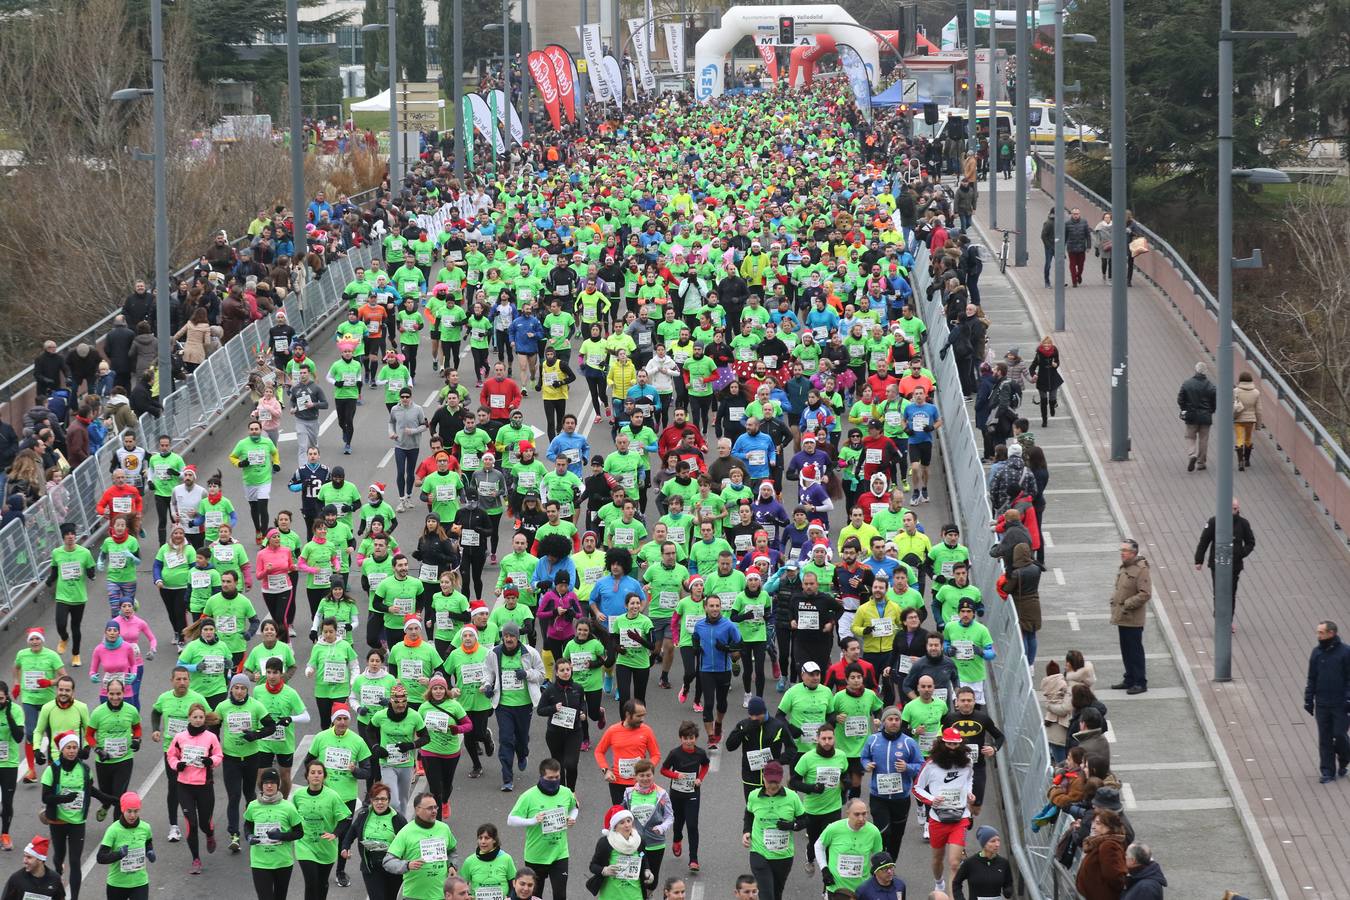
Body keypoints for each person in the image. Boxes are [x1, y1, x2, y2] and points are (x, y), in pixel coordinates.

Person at [910, 727, 975, 894]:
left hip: (960, 817)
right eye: (949, 744)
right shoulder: (931, 764)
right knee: (938, 858)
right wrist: (932, 799)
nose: (952, 748)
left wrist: (969, 793)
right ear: (942, 743)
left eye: (956, 744)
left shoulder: (967, 761)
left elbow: (969, 779)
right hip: (937, 818)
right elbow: (917, 788)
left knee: (954, 863)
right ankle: (939, 883)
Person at [505, 758, 579, 899]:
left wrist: (572, 818)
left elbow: (574, 808)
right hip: (536, 855)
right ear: (541, 776)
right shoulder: (528, 796)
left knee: (560, 895)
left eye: (557, 777)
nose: (554, 780)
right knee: (534, 896)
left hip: (559, 854)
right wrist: (532, 821)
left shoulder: (566, 792)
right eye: (550, 778)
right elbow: (511, 820)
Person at [1193, 499, 1256, 630]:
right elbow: (1204, 541)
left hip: (1234, 565)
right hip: (1218, 564)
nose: (1235, 511)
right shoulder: (1214, 522)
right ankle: (1219, 619)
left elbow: (1250, 542)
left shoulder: (1243, 524)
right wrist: (1199, 560)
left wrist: (1240, 553)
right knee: (1219, 592)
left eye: (1237, 508)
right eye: (1233, 508)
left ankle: (1229, 620)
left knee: (1231, 593)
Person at [1304, 620, 1350, 784]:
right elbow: (1312, 677)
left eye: (1321, 633)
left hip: (1340, 704)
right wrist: (1309, 699)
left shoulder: (1345, 652)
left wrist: (1348, 698)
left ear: (1332, 633)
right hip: (1322, 703)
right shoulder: (1317, 653)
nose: (1318, 636)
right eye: (1318, 632)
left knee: (1340, 735)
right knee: (1325, 738)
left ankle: (1345, 758)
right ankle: (1327, 771)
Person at [813, 798, 882, 897]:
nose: (861, 818)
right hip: (837, 888)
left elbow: (878, 855)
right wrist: (824, 869)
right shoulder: (834, 828)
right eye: (857, 814)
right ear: (848, 814)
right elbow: (819, 846)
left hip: (862, 888)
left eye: (864, 814)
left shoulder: (874, 832)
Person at [1109, 540, 1151, 695]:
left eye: (1125, 550)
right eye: (1121, 550)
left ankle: (1140, 682)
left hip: (1133, 617)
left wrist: (1127, 603)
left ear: (1133, 553)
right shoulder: (1124, 567)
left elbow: (1145, 593)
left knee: (1135, 650)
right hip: (1122, 616)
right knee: (1126, 649)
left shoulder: (1141, 570)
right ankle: (1130, 678)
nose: (1122, 553)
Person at [95, 790, 154, 900]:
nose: (132, 815)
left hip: (140, 883)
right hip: (117, 884)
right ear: (123, 810)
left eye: (136, 811)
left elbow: (148, 842)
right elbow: (100, 857)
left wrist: (150, 851)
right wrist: (119, 854)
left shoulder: (145, 828)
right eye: (129, 811)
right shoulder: (113, 830)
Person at [586, 806, 652, 900]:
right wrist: (604, 870)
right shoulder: (605, 843)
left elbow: (643, 858)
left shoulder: (639, 841)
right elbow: (593, 866)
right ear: (615, 827)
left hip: (635, 894)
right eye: (622, 822)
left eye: (629, 821)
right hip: (611, 895)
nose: (627, 825)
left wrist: (647, 870)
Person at [1075, 809, 1128, 900]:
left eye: (1098, 823)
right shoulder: (1100, 842)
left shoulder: (1108, 846)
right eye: (1094, 823)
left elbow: (1114, 877)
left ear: (1110, 827)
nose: (1094, 827)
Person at [951, 825, 1012, 899]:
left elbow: (1008, 883)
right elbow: (956, 883)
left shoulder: (1003, 863)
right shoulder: (970, 863)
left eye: (998, 840)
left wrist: (1008, 890)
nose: (997, 844)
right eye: (992, 841)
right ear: (984, 843)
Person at [1176, 362, 1217, 472]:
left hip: (1191, 415)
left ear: (1195, 370)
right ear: (1205, 372)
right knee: (1203, 439)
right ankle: (1201, 462)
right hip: (1205, 416)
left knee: (1190, 437)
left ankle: (1192, 454)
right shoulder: (1211, 386)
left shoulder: (1187, 384)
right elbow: (1214, 402)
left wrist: (1184, 408)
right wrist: (1211, 411)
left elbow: (1180, 399)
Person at [1232, 370, 1262, 471]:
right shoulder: (1256, 392)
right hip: (1250, 420)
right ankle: (1247, 460)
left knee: (1239, 438)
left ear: (1240, 380)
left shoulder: (1236, 391)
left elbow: (1232, 406)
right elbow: (1259, 410)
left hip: (1238, 419)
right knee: (1248, 438)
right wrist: (1258, 424)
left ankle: (1240, 461)